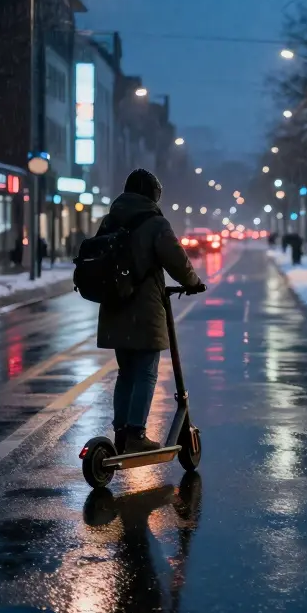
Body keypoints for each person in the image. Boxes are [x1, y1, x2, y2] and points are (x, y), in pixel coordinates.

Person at [96, 169, 204, 454]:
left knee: (126, 373)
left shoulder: (110, 220)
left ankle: (121, 432)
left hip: (115, 306)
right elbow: (177, 261)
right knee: (146, 372)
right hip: (143, 309)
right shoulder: (155, 223)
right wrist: (193, 283)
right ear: (153, 195)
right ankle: (136, 434)